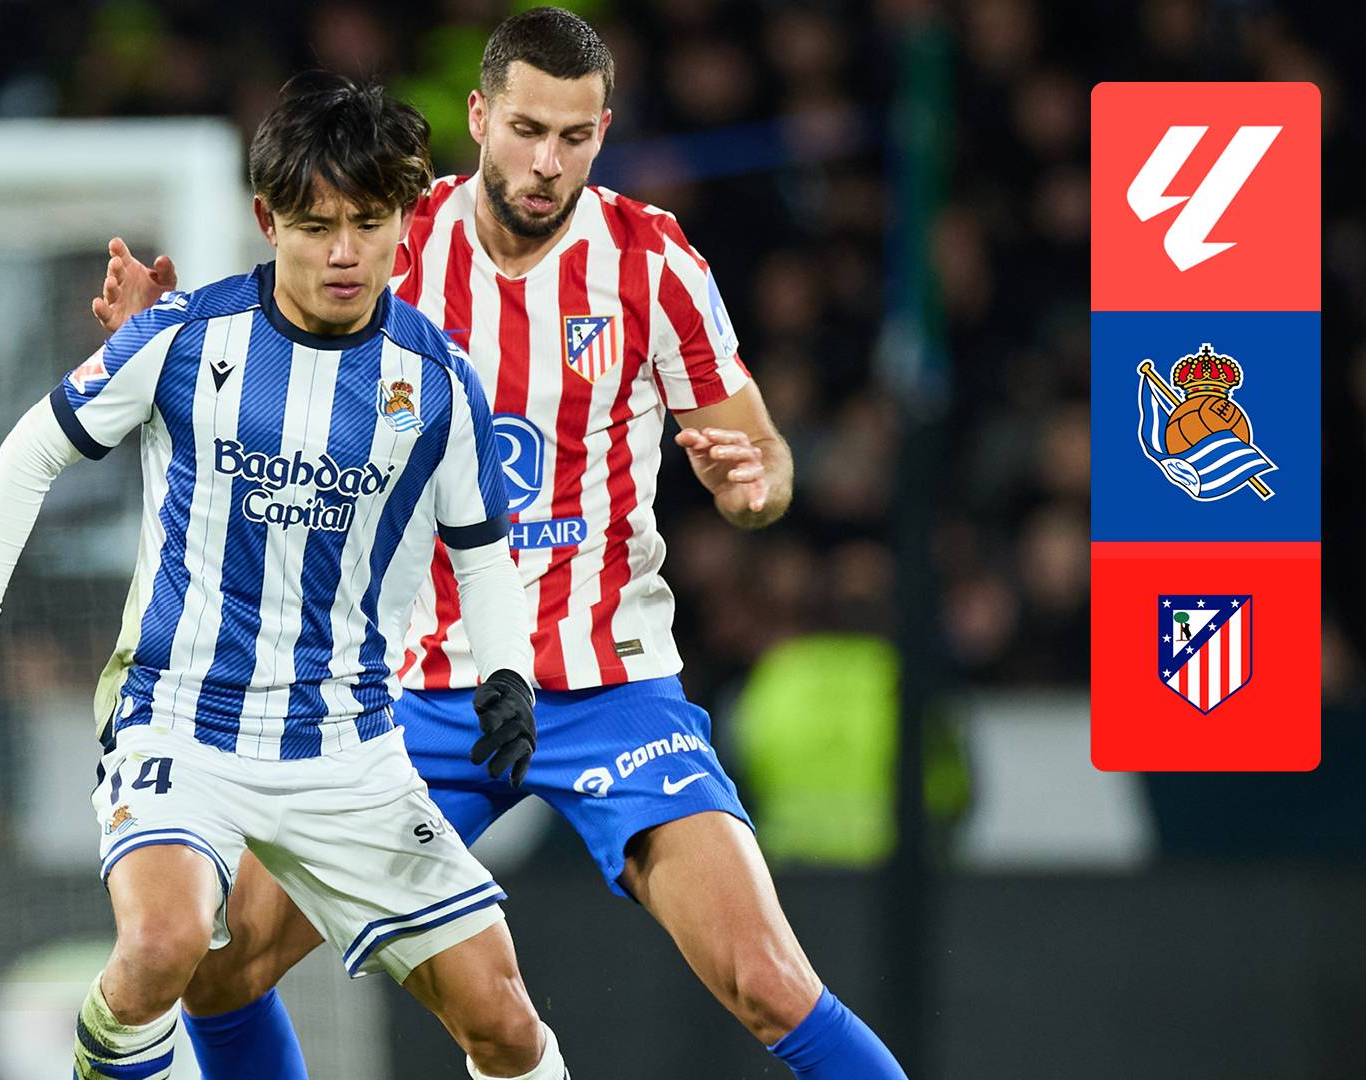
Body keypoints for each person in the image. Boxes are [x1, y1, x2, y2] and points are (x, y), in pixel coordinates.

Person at [90, 9, 908, 1079]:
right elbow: (263, 367)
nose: (545, 163)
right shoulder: (397, 241)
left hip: (611, 684)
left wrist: (752, 487)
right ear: (479, 117)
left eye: (573, 137)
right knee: (221, 969)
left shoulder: (654, 264)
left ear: (603, 132)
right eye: (526, 130)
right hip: (414, 688)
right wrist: (158, 347)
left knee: (768, 982)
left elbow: (761, 458)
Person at [0, 72, 571, 1080]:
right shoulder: (182, 337)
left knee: (505, 1024)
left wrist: (506, 673)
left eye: (369, 223)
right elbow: (31, 452)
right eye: (317, 225)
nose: (344, 253)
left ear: (407, 220)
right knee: (163, 947)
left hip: (348, 746)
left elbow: (480, 549)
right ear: (267, 220)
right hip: (180, 724)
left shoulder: (438, 383)